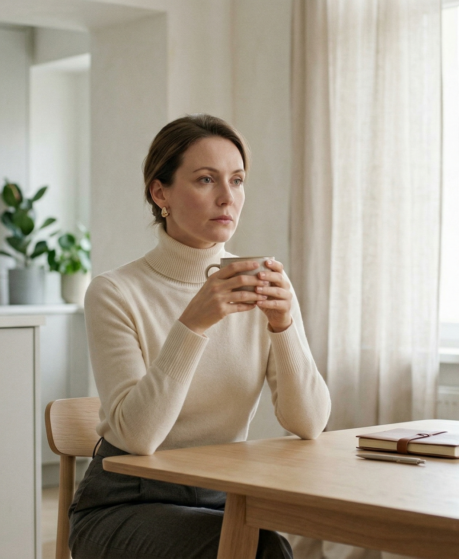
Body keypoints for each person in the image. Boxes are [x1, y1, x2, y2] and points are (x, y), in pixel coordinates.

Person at [69, 114, 331, 559]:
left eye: (237, 180)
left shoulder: (261, 284)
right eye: (206, 179)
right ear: (160, 193)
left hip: (223, 495)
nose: (227, 197)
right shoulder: (114, 292)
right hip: (126, 503)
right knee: (260, 552)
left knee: (265, 547)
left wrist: (284, 326)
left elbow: (308, 423)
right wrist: (192, 325)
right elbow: (138, 437)